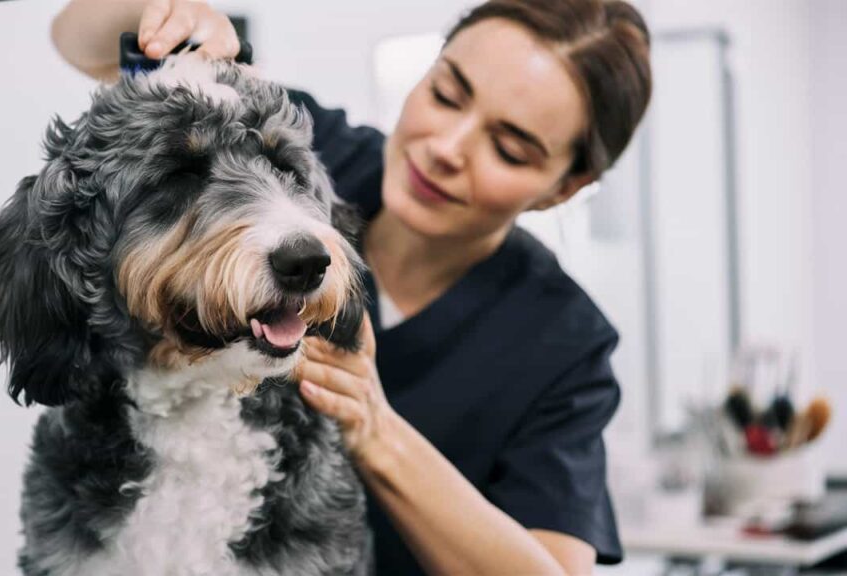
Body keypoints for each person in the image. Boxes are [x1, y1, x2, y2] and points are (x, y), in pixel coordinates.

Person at [51, 1, 652, 574]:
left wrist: (375, 430)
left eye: (508, 148)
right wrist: (164, 14)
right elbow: (76, 38)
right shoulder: (299, 158)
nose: (446, 149)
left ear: (564, 188)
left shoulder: (564, 341)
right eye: (446, 94)